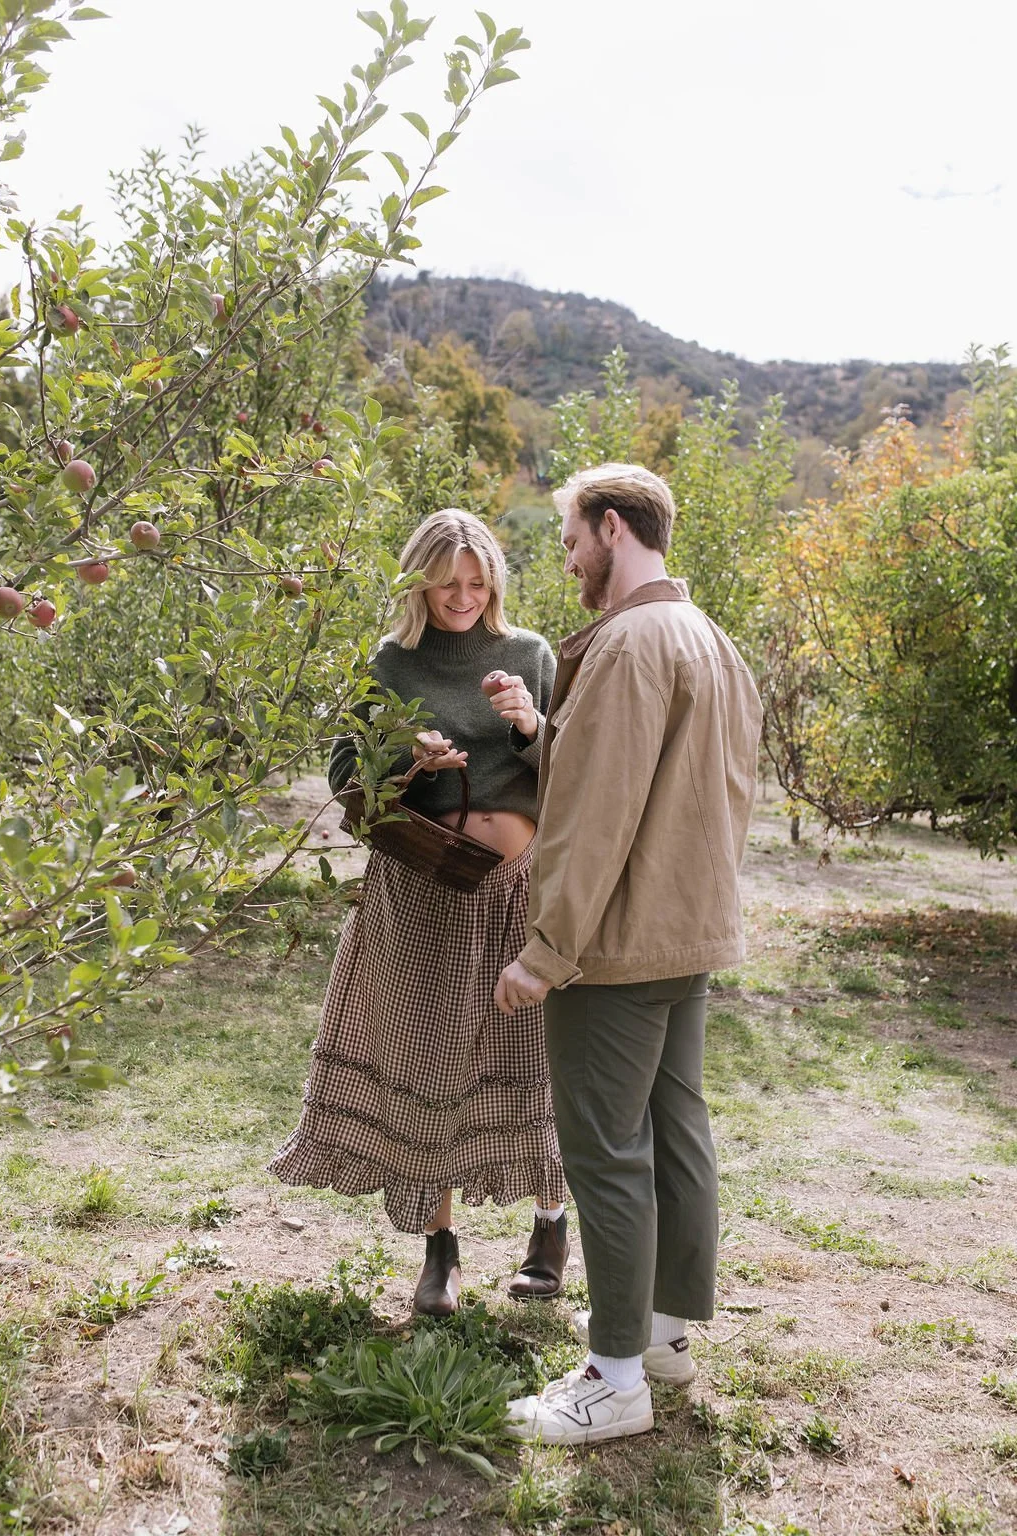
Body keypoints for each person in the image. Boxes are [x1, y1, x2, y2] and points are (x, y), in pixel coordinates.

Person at [495, 464, 762, 1445]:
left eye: (570, 540)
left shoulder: (626, 644)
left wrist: (547, 950)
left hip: (614, 943)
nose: (566, 561)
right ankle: (658, 1340)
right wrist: (539, 733)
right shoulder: (710, 641)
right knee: (675, 1133)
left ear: (612, 527)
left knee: (606, 1154)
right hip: (687, 931)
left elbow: (595, 815)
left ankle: (612, 1381)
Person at [270, 509, 569, 1315]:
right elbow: (342, 772)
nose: (464, 597)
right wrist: (410, 757)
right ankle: (440, 1250)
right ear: (421, 581)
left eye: (478, 583)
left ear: (495, 582)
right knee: (424, 1057)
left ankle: (550, 1224)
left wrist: (531, 727)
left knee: (530, 1054)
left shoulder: (530, 655)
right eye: (448, 583)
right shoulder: (390, 664)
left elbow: (576, 769)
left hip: (514, 893)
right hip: (419, 893)